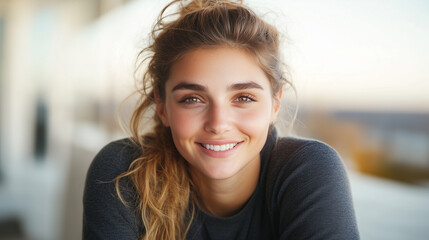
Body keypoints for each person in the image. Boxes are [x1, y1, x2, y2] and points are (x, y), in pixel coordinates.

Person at [82, 0, 360, 239]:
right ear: (162, 106)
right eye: (192, 99)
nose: (218, 123)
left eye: (243, 98)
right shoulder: (123, 174)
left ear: (275, 103)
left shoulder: (307, 171)